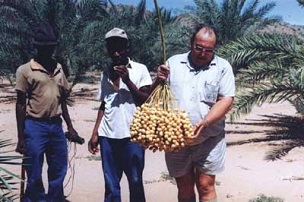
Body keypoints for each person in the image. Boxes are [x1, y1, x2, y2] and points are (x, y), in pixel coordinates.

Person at [154, 24, 235, 202]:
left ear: (214, 49)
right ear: (191, 44)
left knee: (205, 185)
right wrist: (158, 79)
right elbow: (157, 93)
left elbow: (226, 99)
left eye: (208, 50)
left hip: (209, 138)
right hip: (175, 139)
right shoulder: (173, 63)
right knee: (184, 185)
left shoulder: (223, 67)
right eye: (199, 48)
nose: (202, 53)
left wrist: (205, 122)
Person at [15, 21, 79, 202]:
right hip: (35, 126)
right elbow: (20, 104)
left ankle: (54, 199)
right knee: (34, 171)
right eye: (44, 47)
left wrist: (70, 127)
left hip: (56, 126)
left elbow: (62, 99)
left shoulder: (58, 68)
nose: (48, 51)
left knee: (59, 168)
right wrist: (21, 137)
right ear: (37, 48)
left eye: (51, 47)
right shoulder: (25, 70)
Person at [88, 27, 152, 202]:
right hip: (108, 136)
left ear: (127, 48)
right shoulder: (106, 73)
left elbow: (144, 100)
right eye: (112, 48)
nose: (116, 53)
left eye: (120, 48)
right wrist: (95, 133)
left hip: (134, 136)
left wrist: (127, 80)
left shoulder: (140, 70)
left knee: (136, 182)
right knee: (111, 185)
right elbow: (104, 103)